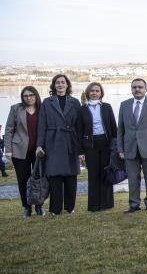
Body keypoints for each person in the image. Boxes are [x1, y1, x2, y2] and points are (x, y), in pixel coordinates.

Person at [36, 74, 81, 215]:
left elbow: (79, 126)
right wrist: (39, 145)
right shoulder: (47, 102)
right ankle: (55, 209)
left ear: (67, 85)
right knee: (54, 175)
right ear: (54, 85)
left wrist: (80, 147)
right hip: (52, 141)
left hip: (70, 141)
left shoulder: (75, 102)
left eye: (63, 82)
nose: (60, 85)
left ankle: (70, 207)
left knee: (71, 175)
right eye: (57, 83)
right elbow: (42, 125)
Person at [118, 78, 147, 213]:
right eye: (134, 87)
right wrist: (120, 149)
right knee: (132, 178)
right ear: (131, 89)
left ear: (145, 89)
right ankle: (133, 204)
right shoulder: (124, 105)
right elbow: (120, 129)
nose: (137, 89)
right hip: (129, 148)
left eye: (140, 87)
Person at [77, 82, 118, 212]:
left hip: (106, 144)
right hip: (90, 145)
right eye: (92, 91)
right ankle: (94, 205)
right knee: (93, 174)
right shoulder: (82, 109)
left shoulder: (107, 107)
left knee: (106, 173)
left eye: (97, 91)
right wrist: (80, 152)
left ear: (101, 93)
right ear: (88, 93)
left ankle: (106, 204)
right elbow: (79, 131)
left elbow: (114, 128)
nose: (94, 93)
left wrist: (116, 147)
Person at [4, 87, 43, 217]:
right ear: (22, 97)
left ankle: (39, 206)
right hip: (19, 151)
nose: (29, 98)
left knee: (38, 180)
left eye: (31, 95)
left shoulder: (42, 109)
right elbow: (9, 130)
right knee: (23, 180)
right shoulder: (16, 109)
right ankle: (27, 207)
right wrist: (8, 149)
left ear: (36, 96)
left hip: (38, 150)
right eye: (26, 96)